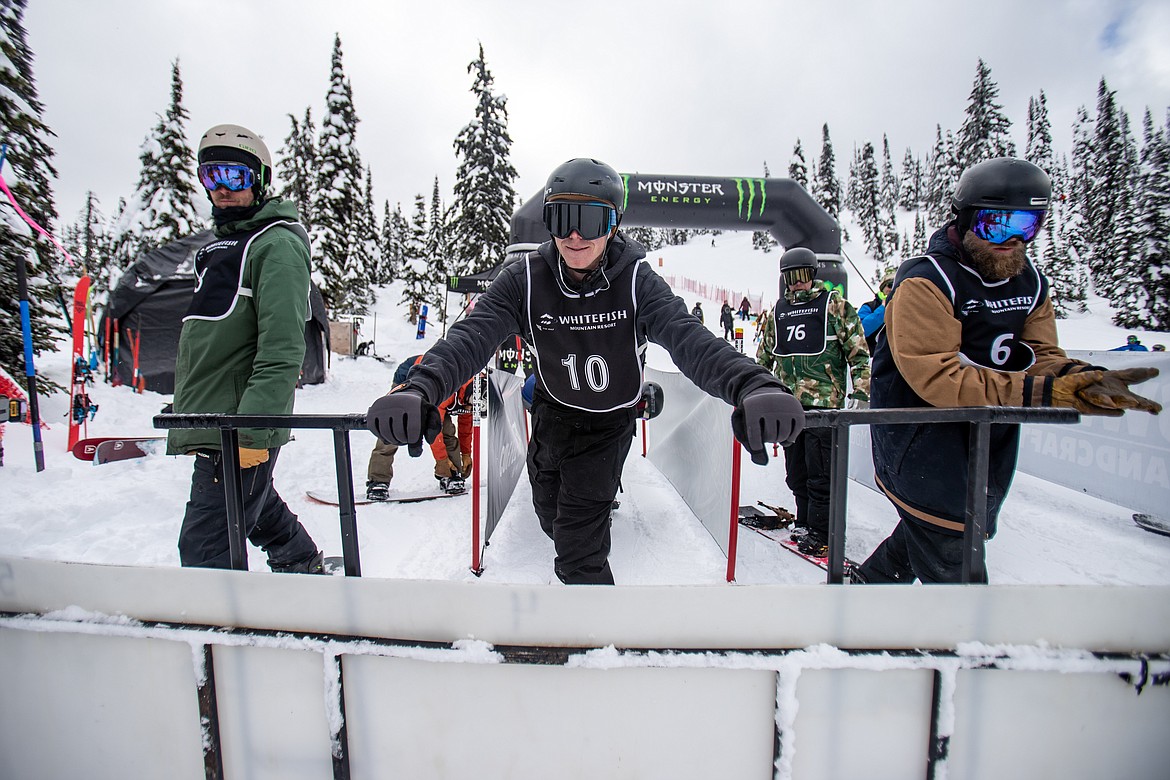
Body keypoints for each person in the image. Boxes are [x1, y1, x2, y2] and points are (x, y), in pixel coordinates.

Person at [366, 157, 804, 585]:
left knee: (578, 548)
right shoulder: (526, 279)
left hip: (608, 425)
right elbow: (472, 336)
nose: (575, 236)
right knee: (550, 516)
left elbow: (688, 338)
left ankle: (598, 641)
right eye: (561, 219)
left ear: (613, 224)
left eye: (590, 221)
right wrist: (419, 387)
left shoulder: (635, 279)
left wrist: (752, 384)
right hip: (553, 415)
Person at [856, 157, 1161, 585]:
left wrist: (1080, 378)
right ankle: (969, 642)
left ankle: (866, 589)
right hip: (920, 434)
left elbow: (1039, 354)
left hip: (985, 431)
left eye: (1027, 227)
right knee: (951, 545)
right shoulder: (928, 281)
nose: (1011, 241)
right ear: (964, 220)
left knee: (941, 529)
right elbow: (939, 378)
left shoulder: (1029, 282)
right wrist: (1043, 393)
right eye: (995, 225)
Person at [167, 124, 324, 573]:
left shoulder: (275, 245)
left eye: (234, 177)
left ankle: (220, 634)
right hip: (218, 416)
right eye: (210, 176)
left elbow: (282, 348)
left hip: (239, 424)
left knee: (205, 546)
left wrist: (253, 431)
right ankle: (301, 561)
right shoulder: (221, 247)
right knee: (256, 508)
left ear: (258, 179)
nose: (221, 189)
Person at [756, 247, 871, 557]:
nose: (797, 285)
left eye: (802, 277)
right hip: (788, 407)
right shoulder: (778, 312)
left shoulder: (836, 308)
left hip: (824, 407)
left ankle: (824, 531)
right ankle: (806, 522)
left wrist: (861, 392)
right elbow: (763, 359)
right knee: (797, 472)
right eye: (790, 278)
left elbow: (859, 352)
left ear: (813, 276)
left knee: (821, 474)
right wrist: (757, 392)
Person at [367, 356, 473, 499]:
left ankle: (452, 474)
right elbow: (434, 429)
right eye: (467, 405)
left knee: (448, 430)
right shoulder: (451, 389)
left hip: (436, 382)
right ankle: (378, 480)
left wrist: (466, 454)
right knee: (395, 425)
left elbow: (465, 427)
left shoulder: (474, 394)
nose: (468, 408)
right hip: (409, 378)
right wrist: (442, 460)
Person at [857, 269, 895, 354]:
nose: (893, 289)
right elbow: (860, 331)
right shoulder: (869, 307)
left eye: (896, 285)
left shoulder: (906, 307)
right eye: (890, 285)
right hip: (874, 357)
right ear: (883, 288)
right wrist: (883, 309)